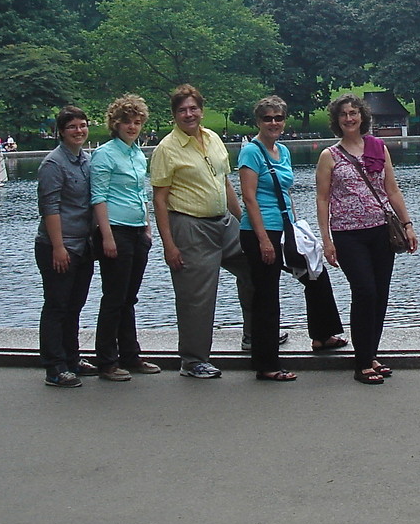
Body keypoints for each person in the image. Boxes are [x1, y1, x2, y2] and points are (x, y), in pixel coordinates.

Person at [151, 84, 276, 379]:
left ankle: (253, 335)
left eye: (193, 108)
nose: (189, 114)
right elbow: (159, 199)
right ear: (174, 115)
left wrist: (243, 221)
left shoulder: (214, 139)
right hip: (190, 225)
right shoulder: (166, 149)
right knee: (197, 295)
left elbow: (225, 183)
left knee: (255, 268)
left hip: (224, 222)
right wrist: (169, 245)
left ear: (201, 111)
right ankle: (193, 360)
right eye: (182, 110)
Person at [238, 95, 346, 382]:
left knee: (315, 275)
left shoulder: (282, 151)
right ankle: (266, 363)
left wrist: (298, 226)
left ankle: (322, 336)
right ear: (258, 122)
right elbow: (249, 198)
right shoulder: (251, 152)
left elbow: (284, 192)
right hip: (260, 231)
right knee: (267, 296)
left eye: (278, 118)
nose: (273, 123)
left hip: (286, 228)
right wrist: (263, 240)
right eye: (267, 118)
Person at [316, 93, 418, 385]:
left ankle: (371, 353)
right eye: (343, 114)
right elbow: (322, 200)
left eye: (354, 113)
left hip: (381, 231)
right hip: (348, 235)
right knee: (365, 292)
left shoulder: (378, 147)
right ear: (337, 121)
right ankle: (361, 363)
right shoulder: (329, 156)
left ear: (362, 116)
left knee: (380, 295)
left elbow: (393, 190)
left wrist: (408, 224)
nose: (349, 118)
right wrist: (327, 240)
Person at [90, 94, 161, 381]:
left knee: (129, 297)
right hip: (115, 230)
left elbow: (140, 193)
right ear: (115, 124)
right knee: (114, 297)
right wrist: (106, 236)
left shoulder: (136, 153)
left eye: (137, 122)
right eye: (127, 122)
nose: (132, 127)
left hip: (136, 230)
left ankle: (130, 355)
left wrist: (147, 226)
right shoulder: (105, 154)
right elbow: (99, 197)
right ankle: (107, 360)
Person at [35, 105, 97, 388]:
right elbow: (49, 208)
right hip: (57, 245)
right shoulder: (53, 164)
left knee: (75, 305)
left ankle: (73, 358)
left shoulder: (87, 160)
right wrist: (58, 247)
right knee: (57, 305)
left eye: (82, 125)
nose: (79, 131)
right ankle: (54, 366)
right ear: (60, 132)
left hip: (83, 245)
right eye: (72, 127)